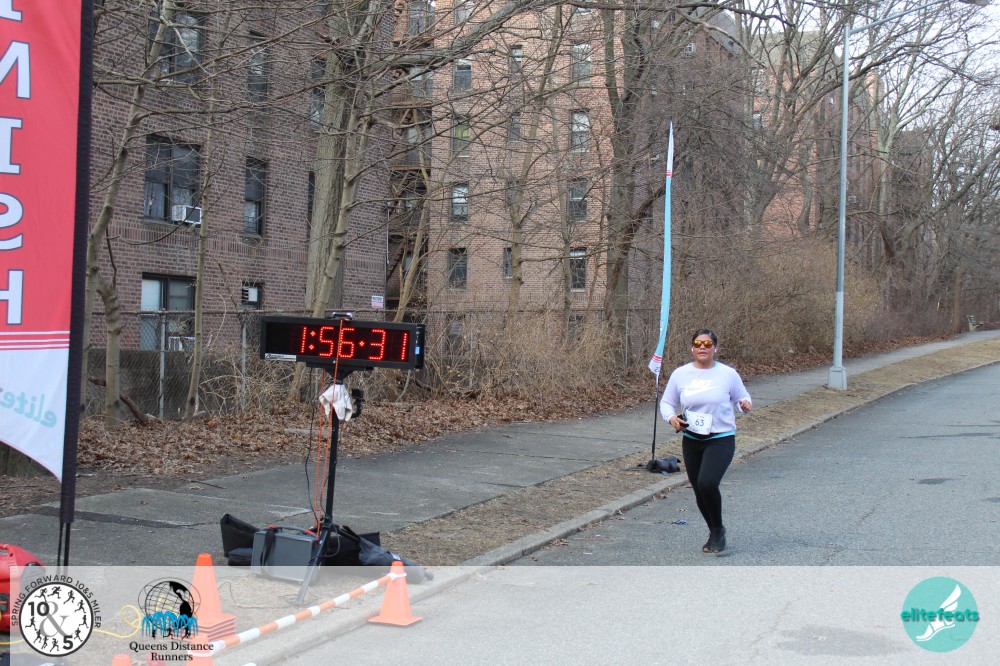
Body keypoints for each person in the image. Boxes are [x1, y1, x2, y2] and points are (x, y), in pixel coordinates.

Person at [660, 329, 752, 553]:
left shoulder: (728, 374)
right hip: (692, 439)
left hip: (721, 438)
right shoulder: (680, 374)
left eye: (708, 344)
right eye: (698, 343)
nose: (702, 347)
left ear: (715, 348)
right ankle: (714, 531)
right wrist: (671, 418)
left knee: (707, 483)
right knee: (699, 489)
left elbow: (742, 397)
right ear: (692, 348)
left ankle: (718, 529)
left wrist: (744, 404)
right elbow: (666, 403)